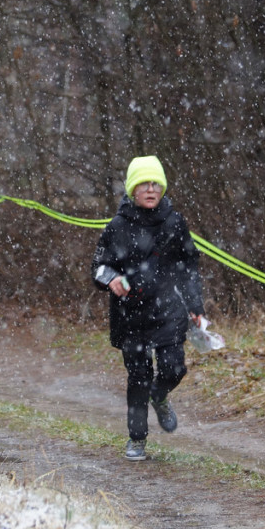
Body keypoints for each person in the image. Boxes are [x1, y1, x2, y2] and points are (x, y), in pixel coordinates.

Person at [91, 155, 205, 461]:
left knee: (174, 368)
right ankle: (137, 439)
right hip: (131, 315)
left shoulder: (175, 222)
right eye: (144, 184)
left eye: (156, 183)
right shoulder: (117, 226)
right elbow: (98, 266)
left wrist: (196, 305)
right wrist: (111, 278)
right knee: (138, 376)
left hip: (169, 310)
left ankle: (160, 395)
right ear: (132, 190)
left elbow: (189, 267)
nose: (151, 189)